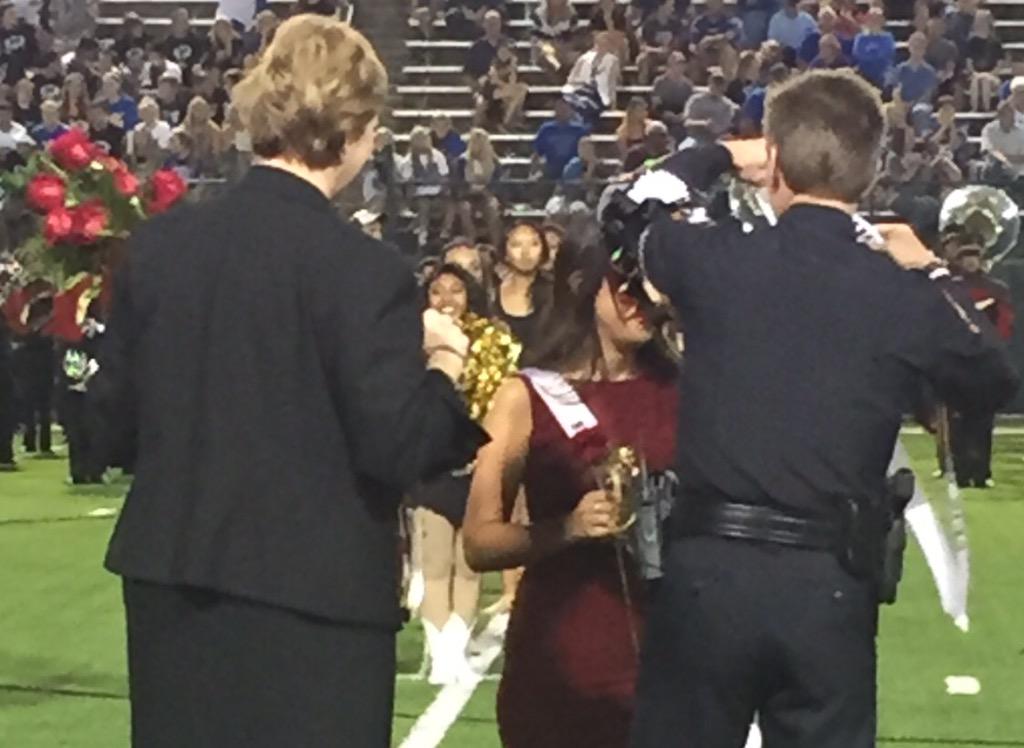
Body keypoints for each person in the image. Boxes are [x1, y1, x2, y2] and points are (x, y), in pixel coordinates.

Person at [94, 16, 485, 748]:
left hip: (172, 585)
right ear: (355, 128)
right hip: (316, 601)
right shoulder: (362, 269)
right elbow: (403, 447)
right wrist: (444, 365)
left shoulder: (162, 246)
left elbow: (109, 425)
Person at [628, 69, 1019, 748]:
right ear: (872, 172)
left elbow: (634, 210)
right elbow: (992, 377)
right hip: (829, 582)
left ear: (774, 160)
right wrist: (930, 269)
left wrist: (719, 154)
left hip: (707, 575)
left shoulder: (719, 255)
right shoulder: (896, 289)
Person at [463, 239, 679, 748]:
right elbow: (479, 541)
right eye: (627, 287)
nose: (644, 302)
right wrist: (568, 528)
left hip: (674, 660)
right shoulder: (524, 396)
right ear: (585, 287)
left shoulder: (686, 390)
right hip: (563, 664)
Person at [410, 263, 488, 685]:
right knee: (436, 564)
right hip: (433, 469)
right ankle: (441, 654)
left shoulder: (492, 343)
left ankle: (457, 650)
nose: (446, 300)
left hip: (478, 467)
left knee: (470, 566)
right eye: (437, 291)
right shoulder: (412, 344)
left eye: (456, 290)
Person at [945, 241, 1015, 489]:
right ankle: (962, 473)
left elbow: (1005, 322)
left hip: (986, 360)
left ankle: (982, 472)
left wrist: (992, 344)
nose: (971, 261)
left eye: (975, 256)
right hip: (959, 359)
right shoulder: (951, 288)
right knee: (957, 421)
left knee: (983, 421)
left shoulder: (996, 289)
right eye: (966, 256)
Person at [496, 222, 550, 355]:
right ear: (505, 252)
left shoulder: (558, 294)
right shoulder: (490, 295)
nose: (526, 252)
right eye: (516, 245)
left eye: (534, 244)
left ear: (543, 250)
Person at [533, 97, 589, 186]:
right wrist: (535, 170)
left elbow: (586, 157)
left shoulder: (580, 130)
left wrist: (585, 173)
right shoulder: (546, 129)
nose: (562, 111)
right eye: (559, 108)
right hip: (551, 167)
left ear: (571, 111)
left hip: (572, 169)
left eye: (565, 109)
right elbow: (537, 153)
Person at [966, 9, 1003, 113]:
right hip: (975, 75)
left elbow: (1000, 64)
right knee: (976, 81)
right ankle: (974, 108)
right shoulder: (971, 42)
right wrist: (976, 73)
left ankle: (986, 108)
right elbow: (969, 63)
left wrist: (989, 74)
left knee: (986, 81)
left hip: (992, 76)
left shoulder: (995, 42)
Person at [852, 6, 895, 90]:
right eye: (871, 18)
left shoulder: (888, 38)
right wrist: (873, 56)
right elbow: (858, 54)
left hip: (882, 73)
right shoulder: (860, 38)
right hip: (864, 72)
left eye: (877, 19)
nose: (874, 21)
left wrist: (870, 55)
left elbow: (886, 55)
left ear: (882, 21)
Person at [893, 31, 938, 106]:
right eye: (915, 47)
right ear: (909, 48)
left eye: (920, 48)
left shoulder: (930, 71)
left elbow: (927, 94)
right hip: (901, 105)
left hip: (921, 105)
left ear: (924, 50)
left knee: (920, 110)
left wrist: (912, 104)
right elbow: (896, 91)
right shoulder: (900, 69)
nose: (917, 51)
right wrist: (901, 104)